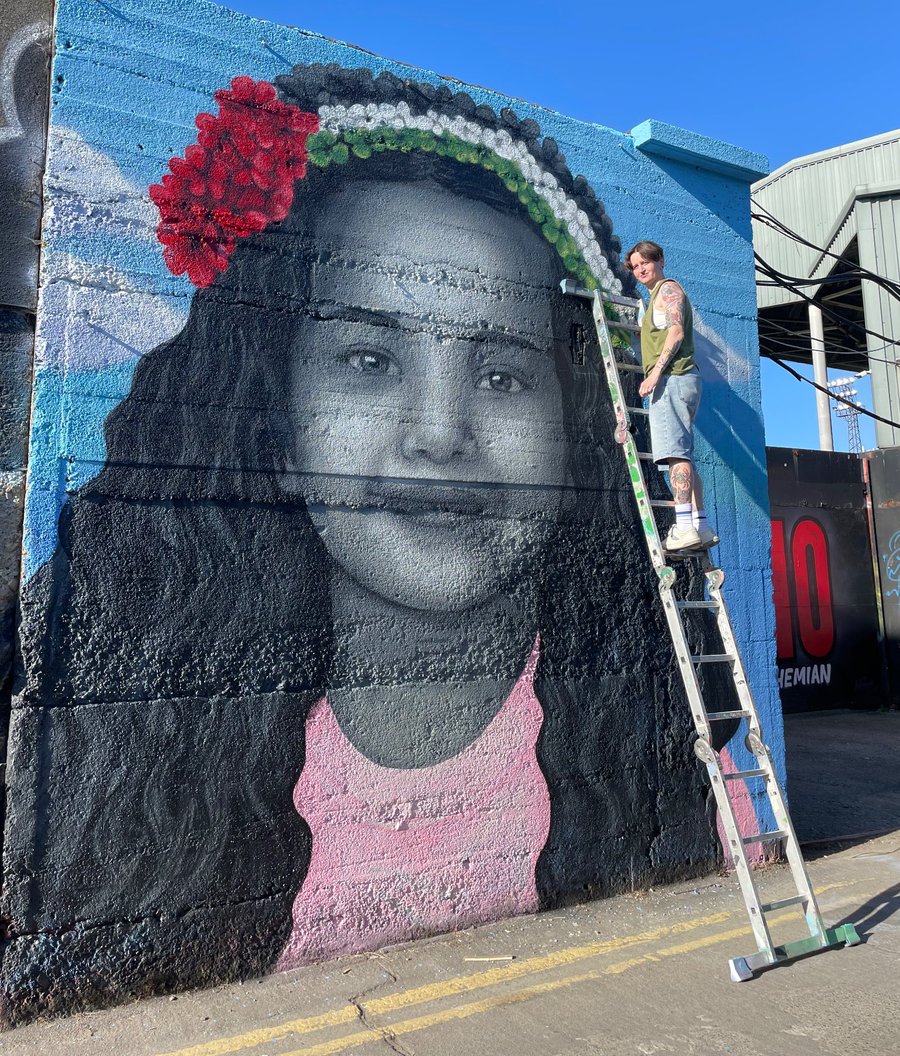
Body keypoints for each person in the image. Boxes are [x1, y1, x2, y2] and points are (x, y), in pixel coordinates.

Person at [4, 69, 728, 1018]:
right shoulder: (137, 751)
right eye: (369, 360)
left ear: (574, 424)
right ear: (279, 416)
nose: (438, 434)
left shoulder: (666, 734)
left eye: (504, 375)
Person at [626, 240, 716, 552]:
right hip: (683, 379)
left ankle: (684, 526)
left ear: (660, 260)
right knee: (684, 455)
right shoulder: (655, 299)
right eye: (635, 266)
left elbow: (676, 332)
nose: (640, 270)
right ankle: (701, 526)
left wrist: (655, 372)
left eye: (645, 263)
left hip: (673, 379)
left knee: (676, 454)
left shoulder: (667, 291)